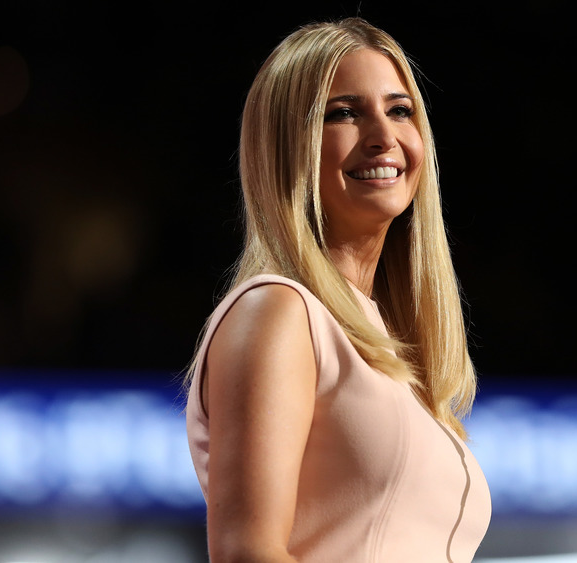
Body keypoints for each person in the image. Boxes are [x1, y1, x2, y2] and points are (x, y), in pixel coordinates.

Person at [183, 17, 491, 562]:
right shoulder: (279, 312)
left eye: (400, 111)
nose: (383, 137)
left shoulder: (391, 347)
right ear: (287, 146)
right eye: (344, 113)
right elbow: (247, 552)